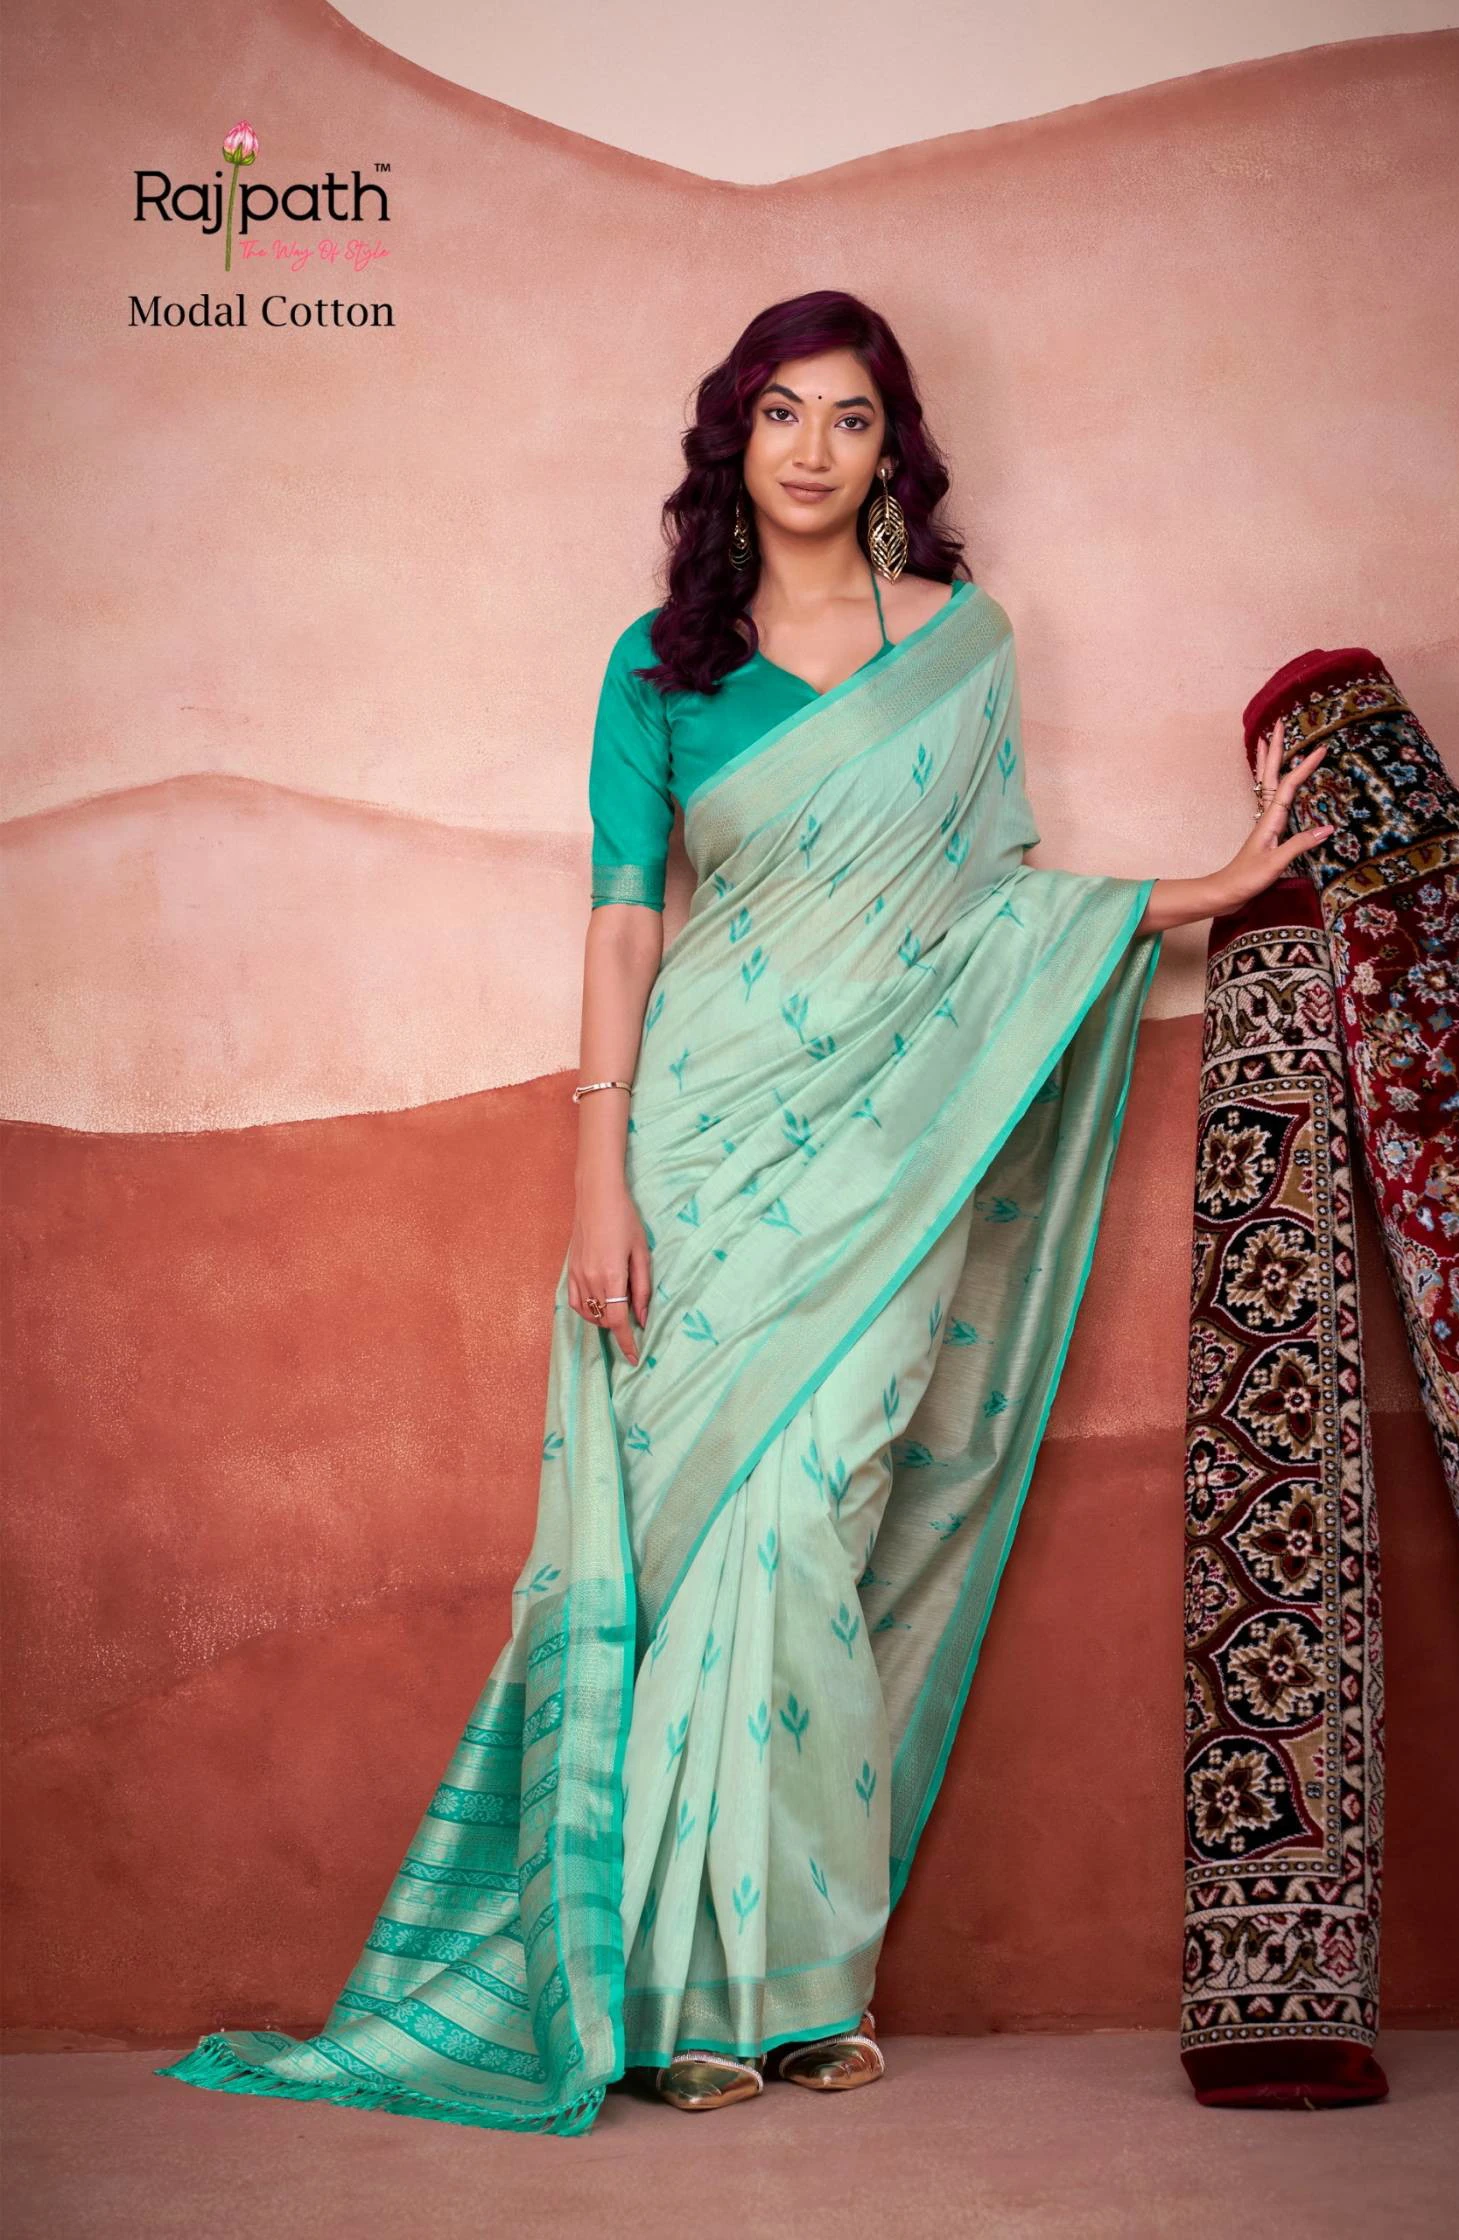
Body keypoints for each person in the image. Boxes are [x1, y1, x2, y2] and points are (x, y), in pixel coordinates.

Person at [157, 289, 1330, 2135]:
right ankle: (679, 2001)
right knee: (699, 1545)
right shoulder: (662, 666)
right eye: (781, 412)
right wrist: (597, 1175)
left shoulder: (962, 646)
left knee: (809, 1511)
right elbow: (629, 923)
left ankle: (797, 1979)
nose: (811, 448)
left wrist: (1206, 886)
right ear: (735, 439)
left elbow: (992, 911)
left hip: (893, 1152)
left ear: (892, 454)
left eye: (849, 418)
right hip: (701, 1144)